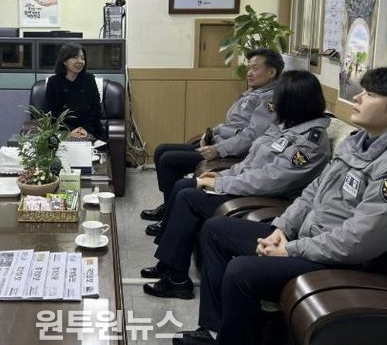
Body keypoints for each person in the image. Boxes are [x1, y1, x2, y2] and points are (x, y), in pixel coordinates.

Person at [172, 67, 387, 345]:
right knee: (217, 230)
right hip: (315, 239)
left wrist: (291, 250)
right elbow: (312, 191)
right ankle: (216, 332)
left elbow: (360, 240)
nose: (358, 98)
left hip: (362, 261)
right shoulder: (359, 141)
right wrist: (281, 228)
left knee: (242, 272)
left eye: (370, 94)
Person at [141, 71, 331, 299]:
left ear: (295, 101)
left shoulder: (310, 142)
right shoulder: (286, 125)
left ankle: (176, 278)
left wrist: (221, 183)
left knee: (188, 196)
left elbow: (270, 180)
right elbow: (252, 160)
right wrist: (223, 174)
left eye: (279, 97)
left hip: (267, 199)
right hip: (248, 187)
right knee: (185, 186)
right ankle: (168, 265)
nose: (274, 103)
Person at [140, 48, 284, 223]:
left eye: (255, 69)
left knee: (169, 160)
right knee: (161, 150)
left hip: (233, 154)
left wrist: (218, 149)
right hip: (220, 144)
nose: (249, 73)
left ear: (271, 72)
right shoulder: (255, 92)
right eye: (249, 68)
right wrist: (211, 132)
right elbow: (233, 124)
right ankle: (168, 205)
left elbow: (251, 136)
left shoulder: (269, 101)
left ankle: (169, 215)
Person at [45, 43, 106, 141]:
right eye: (75, 57)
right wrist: (70, 131)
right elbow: (51, 113)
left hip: (89, 129)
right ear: (64, 61)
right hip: (63, 130)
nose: (80, 61)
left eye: (82, 58)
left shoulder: (89, 79)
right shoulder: (54, 82)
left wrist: (84, 128)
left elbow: (96, 108)